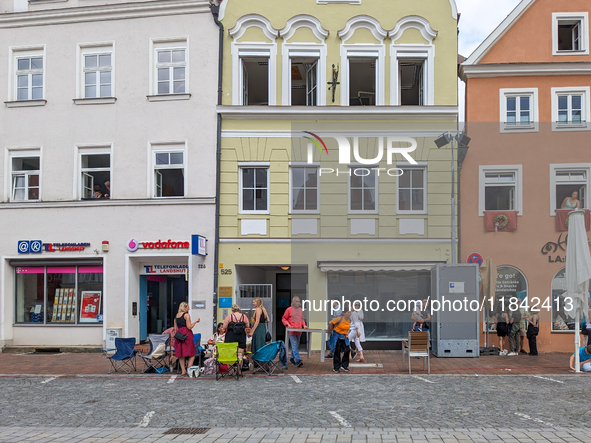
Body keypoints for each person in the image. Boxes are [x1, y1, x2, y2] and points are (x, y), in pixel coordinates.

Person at [174, 302, 200, 376]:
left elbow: (175, 327)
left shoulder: (177, 315)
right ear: (184, 307)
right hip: (186, 335)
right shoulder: (187, 315)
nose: (189, 308)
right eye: (188, 307)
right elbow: (189, 326)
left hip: (179, 335)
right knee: (192, 353)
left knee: (181, 354)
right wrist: (195, 322)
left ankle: (183, 370)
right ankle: (189, 369)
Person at [222, 304, 250, 372]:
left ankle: (230, 371)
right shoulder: (244, 316)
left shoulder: (229, 317)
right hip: (241, 335)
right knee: (240, 354)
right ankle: (239, 372)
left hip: (231, 335)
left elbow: (224, 327)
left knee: (230, 354)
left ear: (232, 310)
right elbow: (247, 325)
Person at [281, 296, 307, 367]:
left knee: (296, 345)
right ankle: (298, 359)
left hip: (299, 330)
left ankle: (292, 358)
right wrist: (287, 324)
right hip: (292, 331)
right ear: (293, 302)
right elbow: (284, 318)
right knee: (294, 344)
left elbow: (302, 319)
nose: (298, 303)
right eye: (296, 301)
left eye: (299, 301)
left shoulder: (300, 310)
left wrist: (304, 325)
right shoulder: (289, 310)